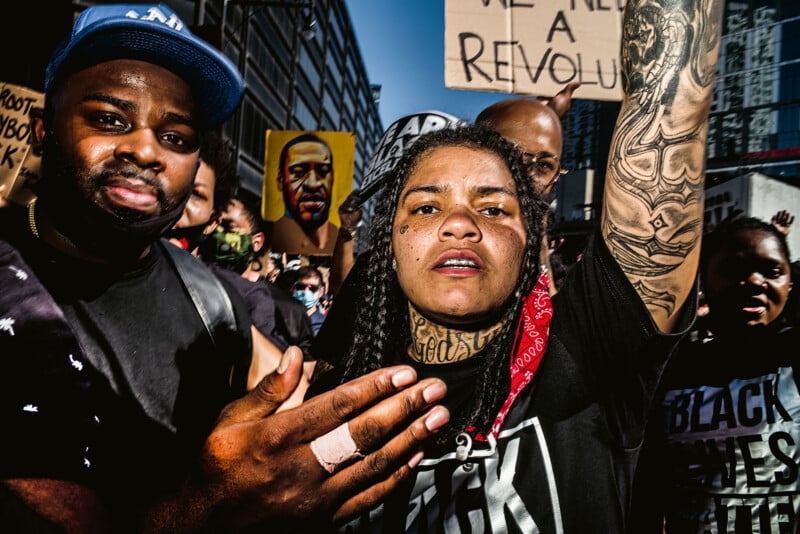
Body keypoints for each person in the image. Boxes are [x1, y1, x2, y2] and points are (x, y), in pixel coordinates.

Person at [0, 4, 451, 531]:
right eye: (108, 119)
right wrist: (201, 511)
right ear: (41, 130)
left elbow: (303, 406)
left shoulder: (210, 299)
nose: (146, 150)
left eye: (176, 137)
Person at [308, 0, 724, 531]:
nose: (459, 224)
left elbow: (671, 107)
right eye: (427, 206)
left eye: (493, 208)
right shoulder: (329, 400)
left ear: (530, 234)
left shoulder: (582, 356)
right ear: (388, 238)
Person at [630, 215, 797, 532]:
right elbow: (647, 487)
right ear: (704, 281)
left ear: (790, 283)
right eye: (732, 271)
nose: (754, 281)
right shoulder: (670, 370)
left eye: (772, 272)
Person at [271, 133, 339, 255]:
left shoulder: (341, 240)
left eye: (323, 171)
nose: (313, 184)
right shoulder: (271, 235)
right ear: (281, 180)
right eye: (298, 172)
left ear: (332, 178)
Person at [291, 265, 328, 336]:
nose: (306, 291)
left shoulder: (324, 324)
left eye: (312, 288)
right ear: (293, 289)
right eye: (300, 287)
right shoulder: (282, 319)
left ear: (320, 292)